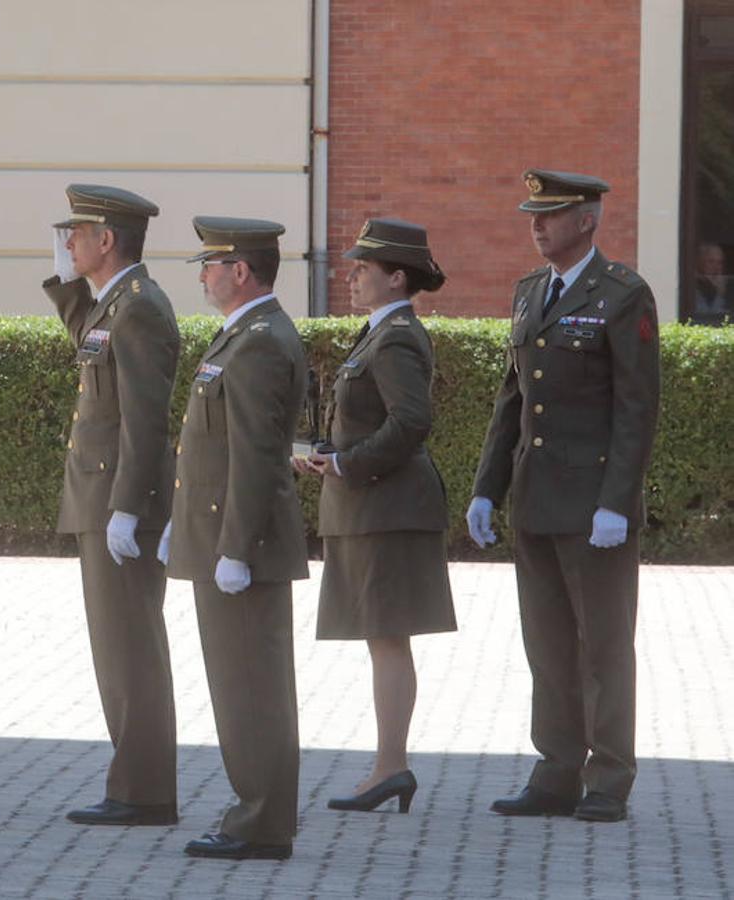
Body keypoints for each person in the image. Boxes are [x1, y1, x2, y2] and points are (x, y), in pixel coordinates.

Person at [467, 169, 661, 824]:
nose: (536, 225)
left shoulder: (622, 294)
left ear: (587, 220)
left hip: (593, 504)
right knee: (547, 644)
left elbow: (637, 408)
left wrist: (617, 499)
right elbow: (512, 401)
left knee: (603, 645)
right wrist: (487, 489)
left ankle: (607, 776)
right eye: (533, 214)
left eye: (551, 215)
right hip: (536, 495)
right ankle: (555, 772)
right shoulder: (529, 293)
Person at [295, 218, 456, 814]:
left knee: (388, 639)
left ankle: (392, 767)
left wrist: (347, 464)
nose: (352, 276)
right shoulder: (380, 333)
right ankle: (390, 765)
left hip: (388, 507)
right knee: (381, 639)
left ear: (396, 277)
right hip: (373, 506)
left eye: (364, 268)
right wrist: (334, 457)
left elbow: (411, 421)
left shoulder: (396, 337)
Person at [162, 217, 309, 860]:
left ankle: (261, 822)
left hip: (240, 544)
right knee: (239, 686)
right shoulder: (246, 336)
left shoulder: (258, 342)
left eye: (210, 264)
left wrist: (236, 548)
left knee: (252, 688)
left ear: (240, 271)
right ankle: (256, 813)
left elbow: (253, 455)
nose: (202, 275)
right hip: (219, 534)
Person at [42, 184, 180, 827]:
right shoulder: (113, 304)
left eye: (77, 232)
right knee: (116, 650)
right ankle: (134, 784)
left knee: (132, 650)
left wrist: (128, 506)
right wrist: (66, 277)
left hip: (119, 504)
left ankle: (144, 791)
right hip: (100, 499)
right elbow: (87, 343)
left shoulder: (141, 308)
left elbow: (146, 421)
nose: (68, 242)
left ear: (108, 240)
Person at [692, 242, 729, 321]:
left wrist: (720, 293)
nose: (716, 267)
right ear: (699, 263)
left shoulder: (726, 287)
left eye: (719, 263)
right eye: (711, 261)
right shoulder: (691, 288)